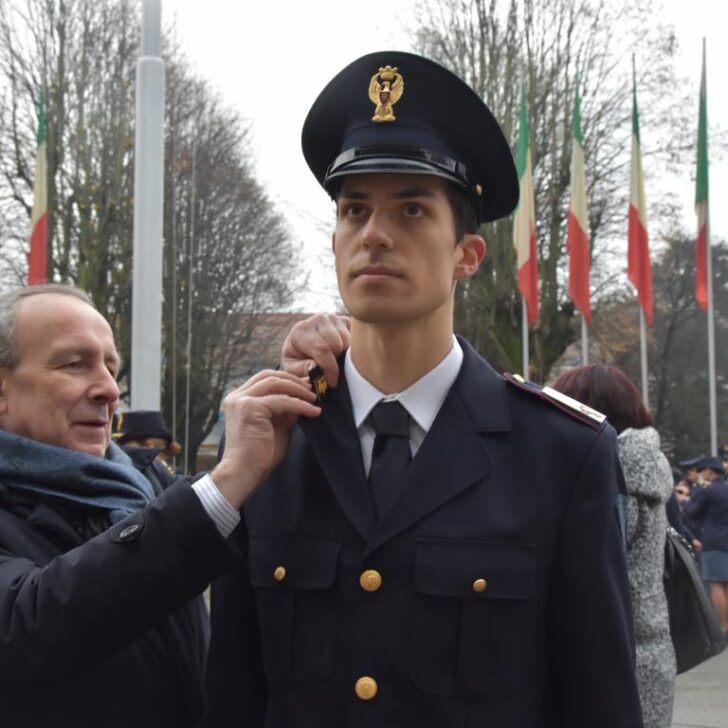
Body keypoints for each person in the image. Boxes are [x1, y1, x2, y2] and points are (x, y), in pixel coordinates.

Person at [203, 51, 643, 727]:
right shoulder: (273, 443)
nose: (374, 234)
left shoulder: (561, 455)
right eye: (355, 211)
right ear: (335, 240)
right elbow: (232, 691)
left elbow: (599, 702)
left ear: (466, 255)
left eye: (411, 210)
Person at [0, 284, 346, 727]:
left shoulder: (147, 487)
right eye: (74, 364)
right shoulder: (165, 501)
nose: (108, 389)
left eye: (111, 367)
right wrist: (226, 482)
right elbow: (31, 620)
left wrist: (305, 376)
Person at [552, 365, 676, 728]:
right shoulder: (651, 463)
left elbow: (594, 570)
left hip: (614, 653)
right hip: (651, 644)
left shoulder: (609, 471)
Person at [683, 456, 728, 634]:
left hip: (713, 540)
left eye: (702, 471)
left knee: (716, 584)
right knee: (727, 584)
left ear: (710, 471)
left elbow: (693, 512)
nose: (701, 474)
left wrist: (684, 502)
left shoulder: (708, 491)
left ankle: (722, 625)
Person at [113, 408, 182, 465]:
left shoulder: (139, 476)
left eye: (123, 443)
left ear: (148, 446)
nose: (120, 448)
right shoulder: (167, 475)